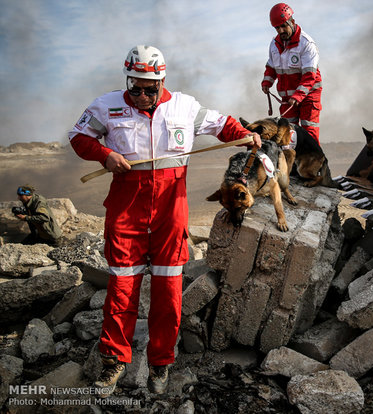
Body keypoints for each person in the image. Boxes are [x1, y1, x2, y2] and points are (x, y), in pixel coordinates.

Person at [68, 45, 260, 397]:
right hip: (126, 209)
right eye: (134, 87)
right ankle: (114, 360)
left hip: (172, 210)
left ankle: (161, 362)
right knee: (122, 286)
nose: (141, 95)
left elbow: (222, 124)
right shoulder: (107, 105)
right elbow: (78, 137)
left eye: (149, 88)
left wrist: (245, 134)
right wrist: (105, 154)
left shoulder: (184, 106)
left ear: (162, 81)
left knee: (168, 291)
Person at [262, 3, 323, 145]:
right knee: (286, 134)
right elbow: (271, 65)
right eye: (277, 28)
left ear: (292, 22)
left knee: (309, 134)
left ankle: (315, 166)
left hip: (308, 96)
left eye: (284, 26)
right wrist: (267, 82)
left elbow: (309, 75)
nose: (281, 30)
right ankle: (292, 166)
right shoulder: (274, 44)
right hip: (287, 98)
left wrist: (299, 95)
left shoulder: (307, 44)